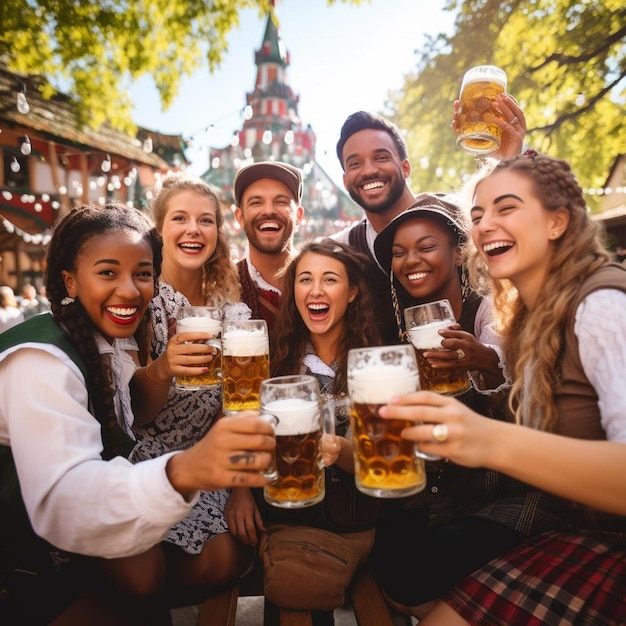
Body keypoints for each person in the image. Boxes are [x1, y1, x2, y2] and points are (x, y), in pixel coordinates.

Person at [379, 152, 626, 624]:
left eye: (505, 208)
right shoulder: (535, 315)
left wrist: (485, 438)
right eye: (477, 215)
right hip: (577, 527)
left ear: (557, 222)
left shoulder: (601, 306)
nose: (485, 224)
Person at [0, 203, 275, 625]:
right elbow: (61, 499)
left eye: (142, 274)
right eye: (108, 272)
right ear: (69, 280)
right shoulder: (41, 359)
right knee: (142, 578)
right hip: (20, 543)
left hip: (68, 523)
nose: (129, 290)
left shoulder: (113, 340)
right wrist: (184, 470)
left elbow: (130, 417)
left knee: (170, 571)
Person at [369, 192, 513, 612]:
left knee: (416, 572)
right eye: (399, 253)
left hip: (497, 490)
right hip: (435, 492)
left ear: (458, 254)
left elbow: (517, 400)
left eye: (426, 247)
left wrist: (485, 362)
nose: (410, 260)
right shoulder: (401, 326)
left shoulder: (489, 311)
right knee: (392, 571)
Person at [226, 239, 384, 619]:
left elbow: (383, 463)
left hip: (352, 518)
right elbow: (245, 429)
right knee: (292, 590)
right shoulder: (276, 358)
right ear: (293, 290)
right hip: (285, 515)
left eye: (330, 279)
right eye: (305, 279)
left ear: (353, 291)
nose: (315, 290)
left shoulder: (376, 362)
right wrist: (241, 492)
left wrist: (339, 451)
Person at [126, 172, 253, 608]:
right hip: (143, 454)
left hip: (208, 458)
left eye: (206, 220)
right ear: (158, 230)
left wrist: (240, 487)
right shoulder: (139, 300)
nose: (194, 229)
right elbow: (134, 413)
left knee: (218, 564)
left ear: (218, 233)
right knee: (147, 572)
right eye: (179, 218)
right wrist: (162, 369)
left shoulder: (232, 310)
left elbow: (239, 404)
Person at [333, 104, 526, 344]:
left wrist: (508, 162)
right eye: (354, 164)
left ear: (405, 167)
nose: (369, 170)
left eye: (381, 157)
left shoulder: (463, 217)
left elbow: (522, 242)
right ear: (345, 180)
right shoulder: (343, 249)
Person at [233, 160, 304, 332]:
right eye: (256, 202)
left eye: (281, 202)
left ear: (298, 216)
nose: (269, 211)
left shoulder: (323, 281)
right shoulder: (222, 287)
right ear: (240, 217)